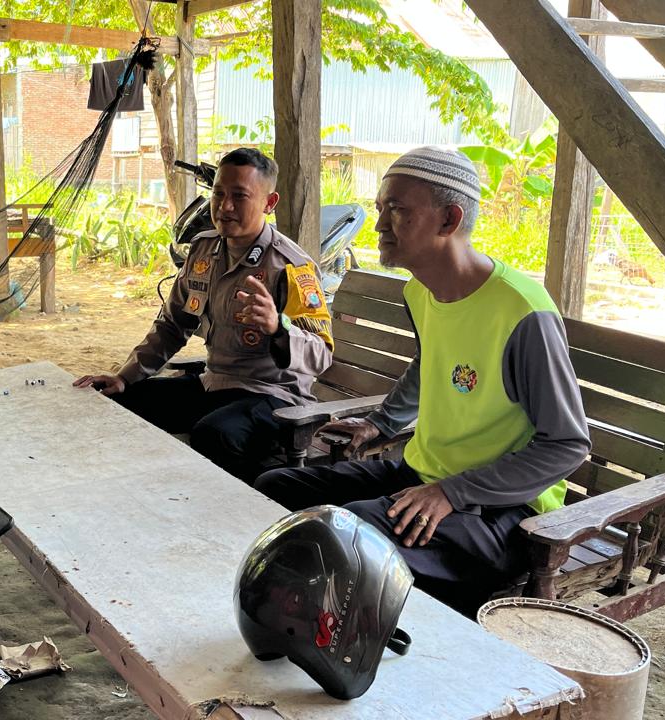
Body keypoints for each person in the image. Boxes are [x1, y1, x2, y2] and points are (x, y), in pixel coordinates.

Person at [254, 146, 590, 614]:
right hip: (421, 475)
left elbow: (567, 445)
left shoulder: (522, 312)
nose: (378, 225)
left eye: (396, 210)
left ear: (449, 219)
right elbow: (430, 359)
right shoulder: (420, 290)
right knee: (273, 487)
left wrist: (452, 492)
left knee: (346, 534)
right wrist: (381, 424)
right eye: (379, 209)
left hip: (501, 512)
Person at [74, 148, 334, 482]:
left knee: (214, 433)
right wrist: (125, 377)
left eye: (239, 196)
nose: (225, 207)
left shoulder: (291, 266)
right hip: (214, 385)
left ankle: (248, 503)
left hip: (274, 397)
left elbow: (321, 354)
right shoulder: (203, 249)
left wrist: (278, 328)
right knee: (118, 403)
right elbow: (172, 325)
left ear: (269, 203)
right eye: (219, 194)